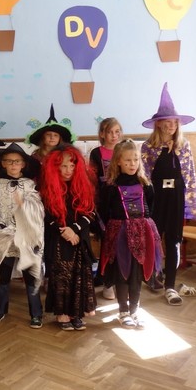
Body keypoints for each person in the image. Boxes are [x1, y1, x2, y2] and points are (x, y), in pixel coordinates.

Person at [141, 82, 196, 306]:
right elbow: (144, 177)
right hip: (156, 198)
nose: (171, 126)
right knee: (154, 238)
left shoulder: (184, 146)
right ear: (158, 124)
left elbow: (190, 175)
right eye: (167, 122)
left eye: (174, 122)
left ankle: (170, 285)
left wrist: (191, 205)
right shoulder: (148, 147)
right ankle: (153, 275)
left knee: (174, 241)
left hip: (176, 197)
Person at [99, 139, 162, 328]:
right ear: (118, 161)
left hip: (142, 233)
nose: (132, 164)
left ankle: (135, 310)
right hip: (119, 234)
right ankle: (123, 311)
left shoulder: (145, 184)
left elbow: (151, 207)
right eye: (127, 160)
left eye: (135, 159)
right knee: (122, 272)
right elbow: (104, 211)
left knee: (136, 273)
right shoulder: (110, 186)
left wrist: (141, 225)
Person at [0, 142, 45, 328]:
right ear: (3, 163)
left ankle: (36, 313)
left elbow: (38, 211)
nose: (13, 165)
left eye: (17, 161)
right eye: (9, 161)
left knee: (31, 277)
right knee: (3, 277)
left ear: (23, 164)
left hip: (26, 239)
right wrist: (4, 230)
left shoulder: (30, 185)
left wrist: (24, 206)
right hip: (4, 239)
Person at [40, 144, 97, 331]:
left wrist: (74, 229)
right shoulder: (47, 188)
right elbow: (47, 216)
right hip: (58, 240)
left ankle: (76, 314)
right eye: (63, 166)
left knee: (78, 275)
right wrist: (64, 231)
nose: (68, 170)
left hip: (79, 238)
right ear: (55, 167)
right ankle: (62, 314)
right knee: (61, 275)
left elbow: (90, 213)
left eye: (72, 166)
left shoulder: (84, 185)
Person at [88, 117, 123, 301]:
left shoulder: (124, 149)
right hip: (104, 202)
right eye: (110, 132)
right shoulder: (96, 153)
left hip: (122, 201)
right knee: (106, 239)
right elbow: (93, 180)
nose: (114, 135)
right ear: (102, 134)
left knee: (119, 240)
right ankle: (103, 276)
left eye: (117, 131)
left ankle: (115, 277)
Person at [25, 104, 76, 181]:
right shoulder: (35, 157)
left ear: (59, 139)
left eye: (56, 135)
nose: (52, 137)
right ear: (43, 138)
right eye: (48, 134)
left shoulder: (66, 155)